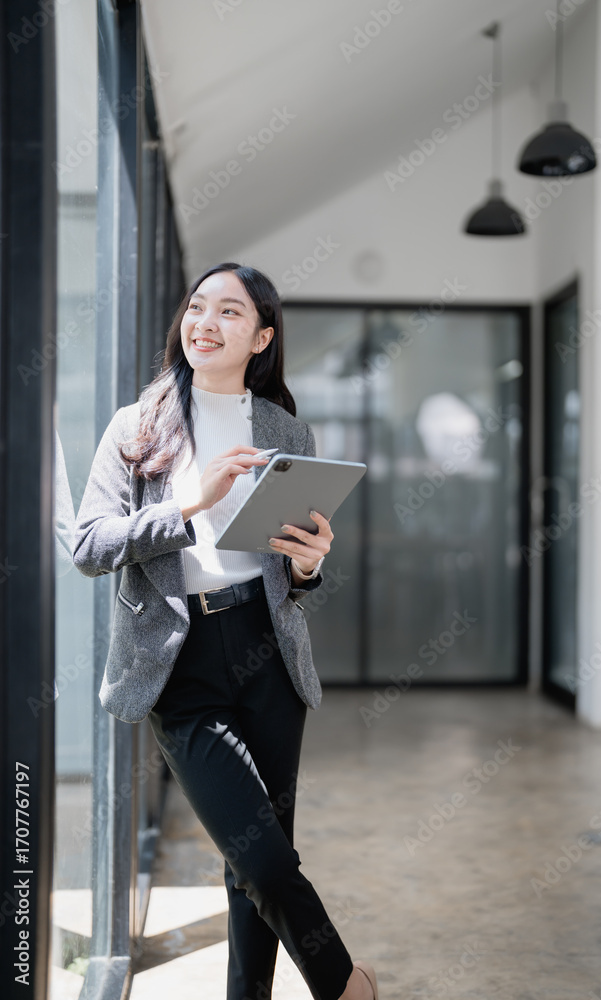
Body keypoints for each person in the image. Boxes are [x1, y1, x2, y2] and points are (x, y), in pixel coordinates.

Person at [73, 262, 379, 1000]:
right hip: (177, 662)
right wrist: (188, 507)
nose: (205, 323)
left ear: (262, 337)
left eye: (230, 313)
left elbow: (291, 576)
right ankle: (345, 983)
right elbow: (88, 546)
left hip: (267, 650)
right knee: (262, 857)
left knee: (258, 859)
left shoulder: (283, 427)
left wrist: (309, 564)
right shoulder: (136, 426)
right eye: (198, 307)